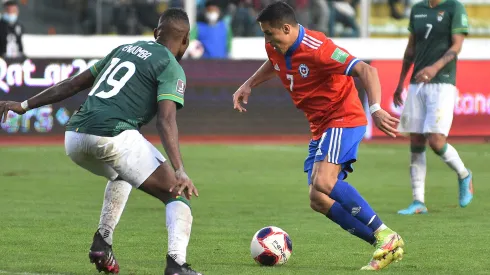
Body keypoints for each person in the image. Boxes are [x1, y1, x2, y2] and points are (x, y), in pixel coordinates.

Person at [0, 8, 202, 275]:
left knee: (122, 174)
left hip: (74, 138)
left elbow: (73, 84)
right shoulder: (171, 66)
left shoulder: (124, 49)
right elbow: (165, 121)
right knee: (176, 194)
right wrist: (179, 170)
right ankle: (176, 265)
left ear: (155, 33)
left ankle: (102, 242)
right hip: (114, 136)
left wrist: (24, 104)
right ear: (185, 40)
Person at [232, 2, 405, 271]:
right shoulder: (275, 46)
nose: (266, 40)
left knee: (324, 182)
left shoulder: (319, 48)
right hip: (321, 126)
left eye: (269, 33)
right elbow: (275, 63)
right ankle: (382, 244)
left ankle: (386, 233)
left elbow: (366, 70)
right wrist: (248, 83)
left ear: (286, 28)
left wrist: (376, 109)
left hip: (343, 117)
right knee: (318, 199)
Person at [393, 0, 473, 215]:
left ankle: (464, 174)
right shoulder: (417, 9)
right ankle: (418, 201)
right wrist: (401, 81)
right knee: (416, 140)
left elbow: (456, 45)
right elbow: (411, 49)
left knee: (436, 140)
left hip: (443, 82)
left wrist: (434, 67)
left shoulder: (454, 7)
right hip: (417, 83)